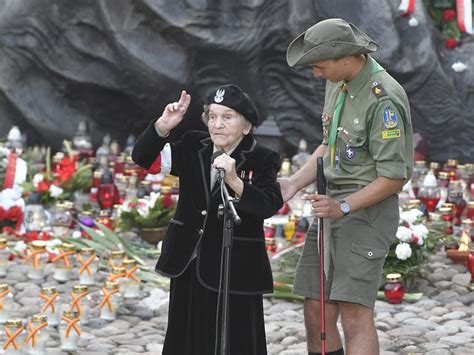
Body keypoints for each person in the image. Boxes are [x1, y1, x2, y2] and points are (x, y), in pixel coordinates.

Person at [281, 19, 414, 355]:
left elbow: (394, 176)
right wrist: (294, 183)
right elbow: (328, 145)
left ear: (344, 57)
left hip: (364, 211)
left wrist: (343, 207)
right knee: (316, 308)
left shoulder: (383, 99)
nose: (316, 74)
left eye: (319, 66)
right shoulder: (338, 82)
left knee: (354, 312)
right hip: (330, 205)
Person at [131, 84, 283, 355]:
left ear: (246, 126)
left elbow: (268, 204)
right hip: (188, 259)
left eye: (227, 117)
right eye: (212, 116)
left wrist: (236, 181)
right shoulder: (193, 144)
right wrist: (162, 127)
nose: (217, 125)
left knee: (234, 341)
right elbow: (144, 158)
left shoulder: (263, 158)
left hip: (235, 267)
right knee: (184, 337)